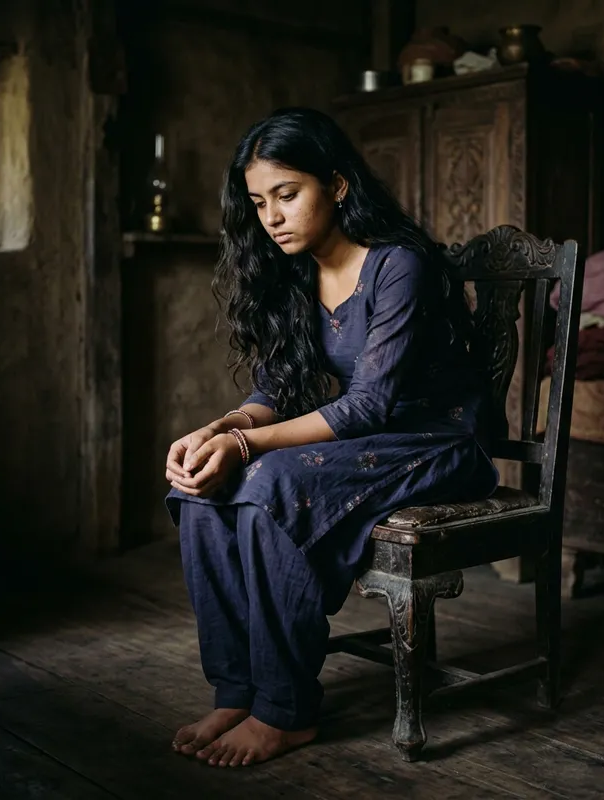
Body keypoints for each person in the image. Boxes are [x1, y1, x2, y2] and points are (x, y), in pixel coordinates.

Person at [165, 107, 499, 768]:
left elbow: (371, 405)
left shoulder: (397, 263)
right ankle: (238, 689)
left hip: (439, 445)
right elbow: (276, 393)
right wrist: (218, 431)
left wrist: (249, 448)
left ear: (338, 185)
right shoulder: (294, 272)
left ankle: (284, 711)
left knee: (269, 481)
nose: (272, 216)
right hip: (369, 447)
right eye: (260, 202)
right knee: (205, 483)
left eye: (288, 195)